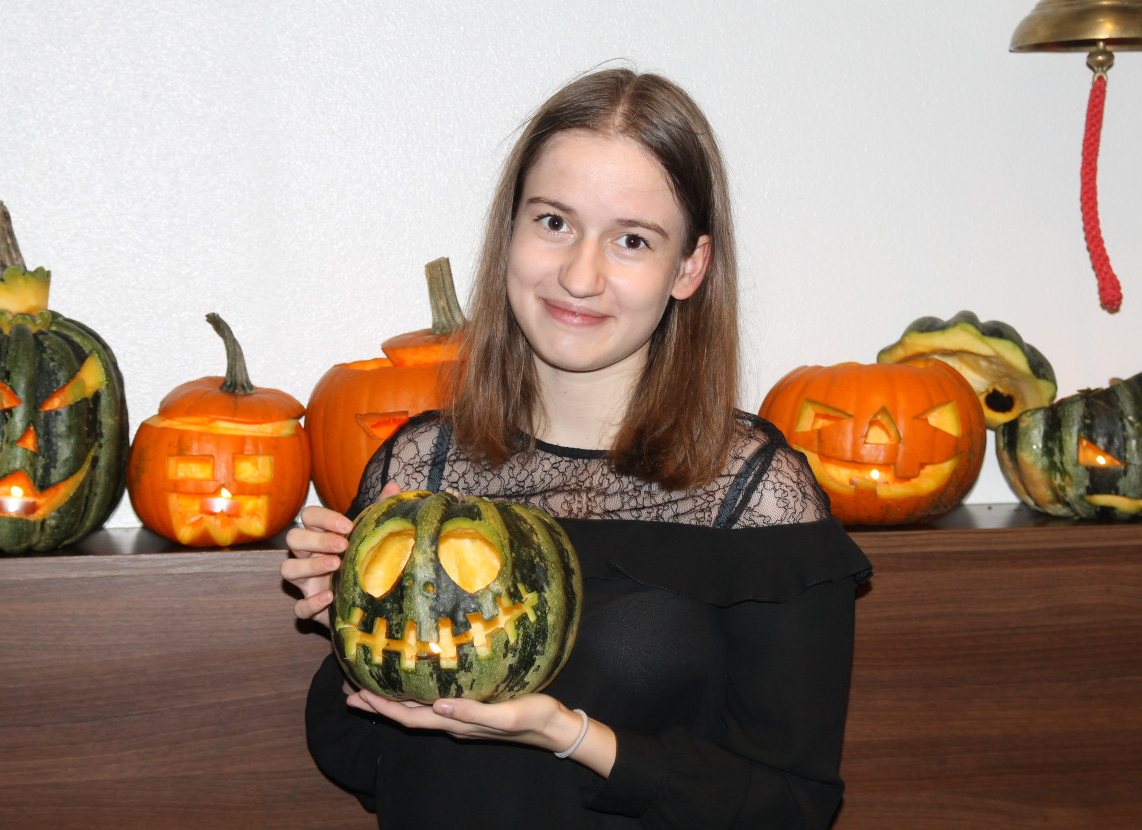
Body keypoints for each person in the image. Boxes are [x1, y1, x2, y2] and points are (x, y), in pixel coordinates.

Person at [282, 66, 871, 828]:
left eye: (631, 239)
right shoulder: (418, 464)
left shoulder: (754, 496)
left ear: (688, 267)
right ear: (510, 233)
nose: (578, 275)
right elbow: (360, 754)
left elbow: (789, 806)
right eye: (553, 222)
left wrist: (567, 735)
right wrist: (361, 630)